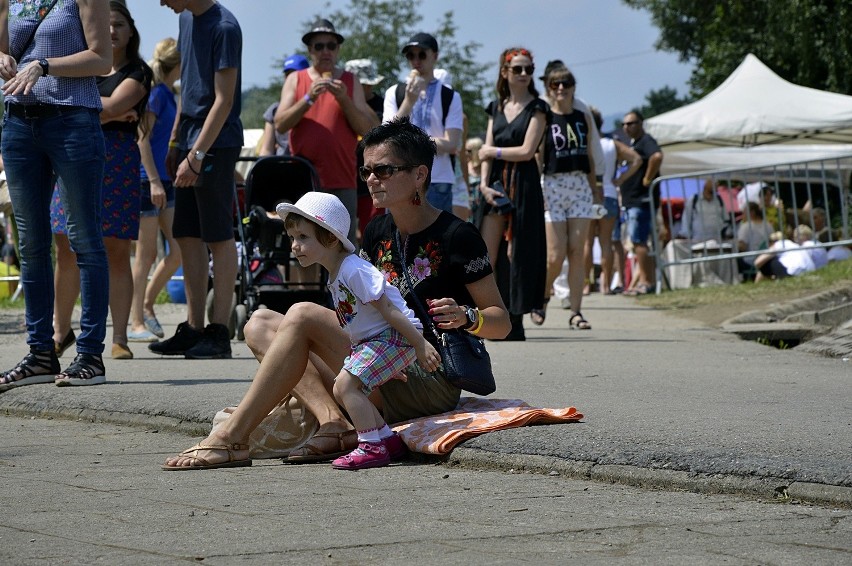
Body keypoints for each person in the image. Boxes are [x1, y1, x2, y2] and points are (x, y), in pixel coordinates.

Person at [162, 117, 510, 470]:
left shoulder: (457, 236)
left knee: (301, 314)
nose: (372, 179)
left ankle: (230, 439)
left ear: (419, 175)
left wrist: (470, 317)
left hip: (425, 375)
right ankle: (335, 423)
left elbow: (501, 321)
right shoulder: (377, 230)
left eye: (385, 170)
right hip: (380, 361)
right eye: (367, 171)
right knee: (259, 322)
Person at [277, 192, 440, 470]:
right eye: (293, 238)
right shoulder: (336, 272)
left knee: (345, 386)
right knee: (343, 389)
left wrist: (419, 344)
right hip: (377, 340)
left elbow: (389, 309)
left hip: (395, 336)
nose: (295, 246)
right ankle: (387, 440)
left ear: (330, 238)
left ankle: (371, 447)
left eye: (304, 237)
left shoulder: (353, 269)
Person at [0, 0, 112, 391]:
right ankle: (40, 355)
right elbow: (5, 47)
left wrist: (44, 65)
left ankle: (90, 355)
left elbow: (102, 60)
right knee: (31, 244)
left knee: (84, 239)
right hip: (17, 121)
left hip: (72, 121)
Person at [50, 1, 152, 361]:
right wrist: (105, 108)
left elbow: (107, 109)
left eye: (120, 24)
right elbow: (106, 108)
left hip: (118, 160)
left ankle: (120, 336)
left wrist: (87, 104)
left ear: (131, 30)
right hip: (72, 152)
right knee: (64, 244)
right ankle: (60, 332)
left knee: (116, 249)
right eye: (106, 24)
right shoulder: (81, 63)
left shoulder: (139, 71)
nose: (112, 30)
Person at [150, 0, 243, 360]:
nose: (161, 2)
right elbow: (188, 87)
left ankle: (218, 331)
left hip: (215, 145)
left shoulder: (224, 26)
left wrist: (197, 155)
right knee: (186, 233)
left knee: (218, 235)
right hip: (189, 140)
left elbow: (223, 100)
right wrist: (176, 142)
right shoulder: (188, 18)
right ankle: (194, 327)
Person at [274, 18, 378, 244]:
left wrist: (344, 100)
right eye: (319, 46)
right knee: (304, 245)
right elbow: (280, 123)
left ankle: (340, 283)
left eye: (331, 45)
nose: (325, 51)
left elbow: (368, 131)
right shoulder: (296, 79)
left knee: (342, 246)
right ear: (310, 50)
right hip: (304, 178)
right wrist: (308, 98)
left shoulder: (350, 81)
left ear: (338, 48)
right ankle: (307, 283)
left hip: (342, 178)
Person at [476, 47, 547, 341]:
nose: (523, 74)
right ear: (505, 72)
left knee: (517, 253)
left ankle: (515, 320)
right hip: (495, 185)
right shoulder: (496, 107)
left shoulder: (538, 108)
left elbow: (528, 151)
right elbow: (485, 153)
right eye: (517, 69)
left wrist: (494, 151)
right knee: (485, 257)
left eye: (528, 69)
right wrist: (482, 184)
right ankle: (486, 319)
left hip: (524, 184)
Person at [128, 37, 181, 342]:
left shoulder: (169, 94)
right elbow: (142, 138)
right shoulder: (157, 94)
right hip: (148, 180)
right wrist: (153, 180)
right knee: (145, 254)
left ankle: (147, 304)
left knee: (177, 251)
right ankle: (136, 320)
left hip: (164, 180)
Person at [538, 64, 599, 329]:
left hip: (579, 185)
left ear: (573, 87)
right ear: (548, 89)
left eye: (566, 84)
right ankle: (543, 295)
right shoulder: (543, 117)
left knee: (577, 252)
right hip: (552, 185)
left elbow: (589, 154)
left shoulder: (582, 116)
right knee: (556, 254)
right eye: (555, 84)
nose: (561, 88)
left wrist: (596, 187)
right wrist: (538, 190)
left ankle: (576, 312)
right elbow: (539, 157)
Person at [383, 33, 463, 214]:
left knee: (436, 241)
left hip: (438, 178)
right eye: (411, 55)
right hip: (398, 177)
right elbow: (387, 136)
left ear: (435, 56)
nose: (416, 60)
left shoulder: (450, 96)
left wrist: (409, 141)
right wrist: (408, 102)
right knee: (396, 239)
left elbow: (451, 143)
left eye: (422, 54)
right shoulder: (395, 92)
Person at [584, 107, 641, 296]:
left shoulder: (585, 144)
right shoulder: (612, 144)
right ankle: (606, 285)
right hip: (608, 193)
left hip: (588, 194)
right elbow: (636, 159)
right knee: (606, 242)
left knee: (587, 242)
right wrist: (621, 179)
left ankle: (586, 284)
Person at [620, 111, 663, 296]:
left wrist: (647, 178)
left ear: (641, 123)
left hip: (641, 201)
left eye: (631, 123)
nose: (627, 127)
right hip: (633, 201)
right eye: (625, 124)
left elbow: (657, 157)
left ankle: (646, 282)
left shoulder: (646, 141)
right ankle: (648, 281)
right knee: (638, 243)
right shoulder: (634, 144)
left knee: (639, 242)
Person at [345, 57, 385, 240]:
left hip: (371, 180)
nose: (367, 88)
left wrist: (360, 104)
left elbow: (379, 132)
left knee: (373, 234)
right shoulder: (342, 104)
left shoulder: (381, 105)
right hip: (346, 178)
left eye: (367, 85)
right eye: (361, 85)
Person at [258, 54, 309, 157]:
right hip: (281, 167)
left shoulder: (314, 106)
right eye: (287, 75)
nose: (290, 79)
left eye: (295, 75)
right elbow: (266, 150)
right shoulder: (274, 110)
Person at [754, 225, 822, 282]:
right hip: (810, 272)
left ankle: (757, 287)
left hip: (793, 274)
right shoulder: (795, 246)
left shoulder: (780, 244)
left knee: (765, 263)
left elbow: (757, 262)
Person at [680, 179, 732, 244]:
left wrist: (727, 233)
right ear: (706, 183)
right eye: (713, 181)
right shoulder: (694, 200)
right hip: (698, 241)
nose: (717, 184)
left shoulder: (719, 200)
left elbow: (726, 219)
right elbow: (686, 219)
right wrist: (686, 235)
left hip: (717, 242)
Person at [736, 201, 773, 279]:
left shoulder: (745, 226)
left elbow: (742, 247)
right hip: (766, 258)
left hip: (751, 260)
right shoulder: (768, 225)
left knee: (733, 260)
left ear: (752, 213)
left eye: (744, 213)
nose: (743, 215)